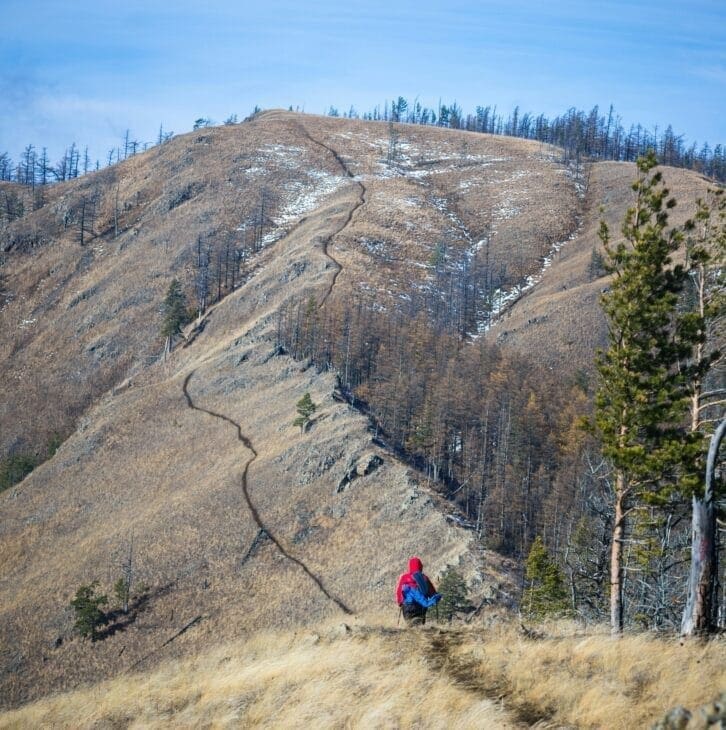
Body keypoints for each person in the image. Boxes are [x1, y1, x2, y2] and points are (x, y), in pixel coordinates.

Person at [396, 556, 441, 625]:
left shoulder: (404, 577)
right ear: (420, 566)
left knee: (410, 625)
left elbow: (399, 591)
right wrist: (436, 597)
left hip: (407, 606)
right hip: (421, 606)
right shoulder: (424, 578)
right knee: (419, 626)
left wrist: (400, 602)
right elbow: (432, 592)